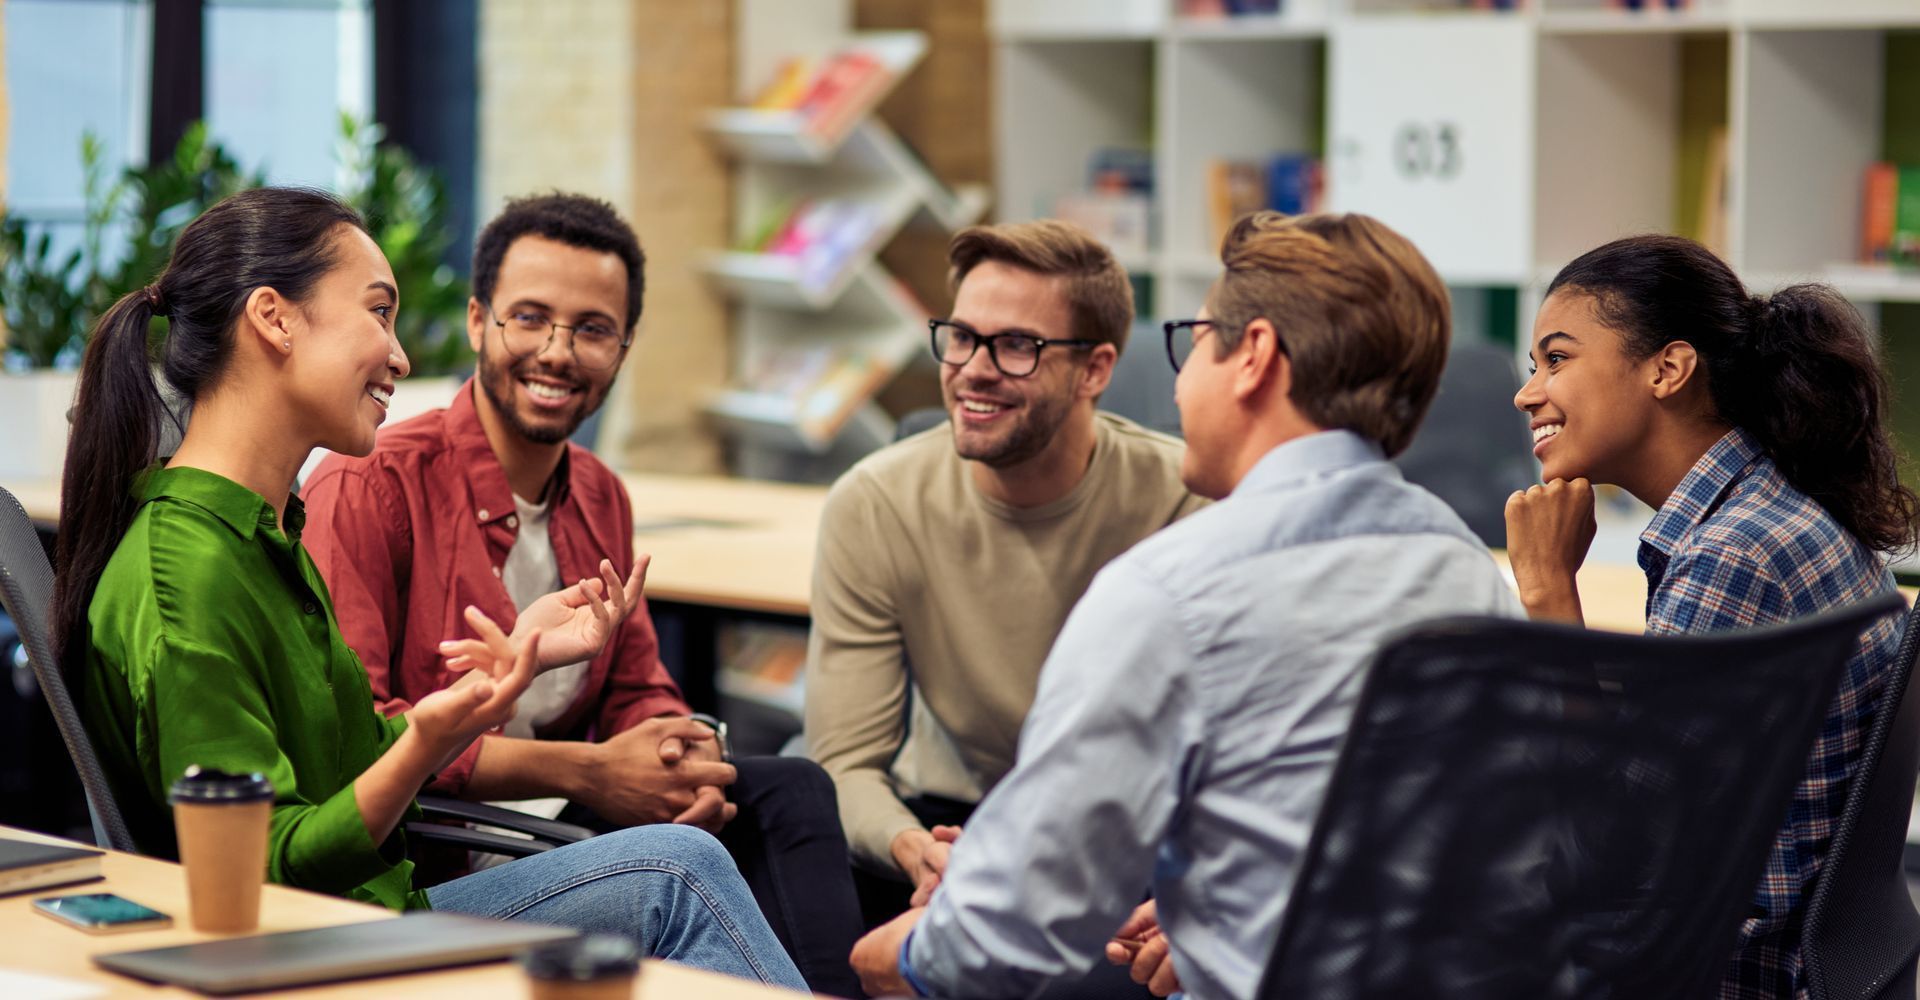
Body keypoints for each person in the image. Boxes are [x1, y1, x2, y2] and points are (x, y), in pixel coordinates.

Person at [53, 187, 806, 990]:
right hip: (317, 943)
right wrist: (428, 740)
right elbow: (267, 870)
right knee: (680, 870)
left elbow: (351, 763)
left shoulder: (261, 532)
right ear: (274, 318)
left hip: (375, 909)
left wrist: (496, 680)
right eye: (379, 314)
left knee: (742, 823)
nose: (401, 356)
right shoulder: (190, 573)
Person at [848, 210, 1524, 999]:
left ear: (1255, 358)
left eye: (1196, 341)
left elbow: (1017, 925)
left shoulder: (1174, 592)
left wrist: (898, 959)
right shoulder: (1470, 576)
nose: (1177, 380)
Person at [297, 192, 861, 997]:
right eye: (529, 318)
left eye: (593, 329)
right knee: (688, 865)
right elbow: (366, 738)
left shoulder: (600, 495)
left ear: (623, 348)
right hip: (424, 864)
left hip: (550, 831)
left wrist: (680, 761)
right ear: (477, 323)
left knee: (793, 788)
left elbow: (638, 689)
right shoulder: (371, 483)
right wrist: (594, 772)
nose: (557, 352)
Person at [1503, 233, 1917, 999]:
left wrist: (1549, 591)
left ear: (1668, 368)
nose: (1529, 393)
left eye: (1557, 359)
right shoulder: (1772, 510)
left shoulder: (1733, 556)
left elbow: (1613, 859)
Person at [803, 219, 1205, 926]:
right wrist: (911, 850)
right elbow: (846, 764)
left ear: (1096, 369)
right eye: (961, 337)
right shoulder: (874, 503)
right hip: (949, 827)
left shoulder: (1184, 498)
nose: (974, 368)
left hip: (1125, 843)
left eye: (1018, 345)